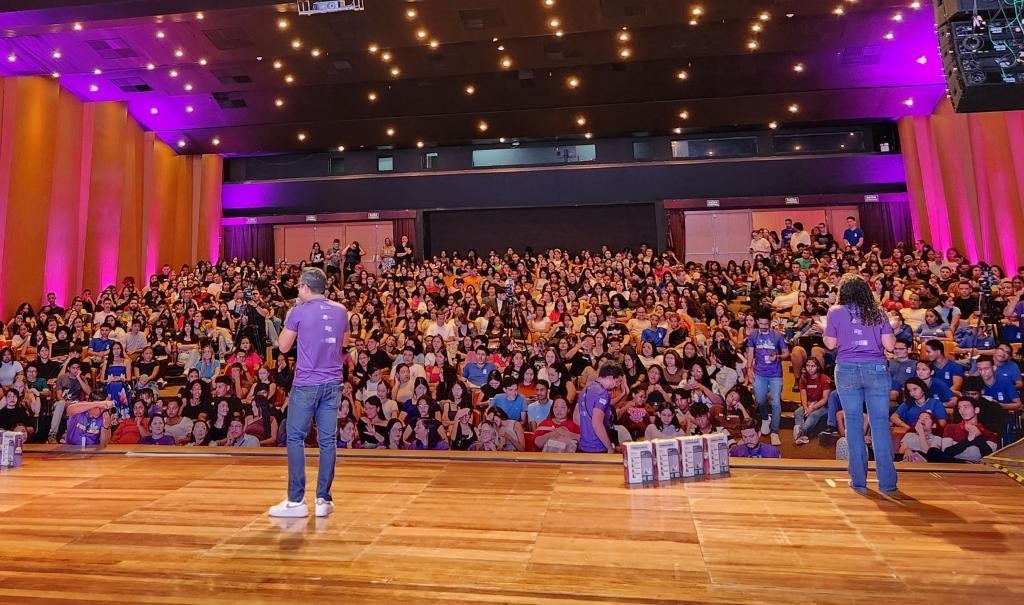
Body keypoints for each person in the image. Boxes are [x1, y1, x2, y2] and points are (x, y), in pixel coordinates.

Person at [269, 267, 349, 519]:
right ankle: (323, 499)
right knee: (328, 440)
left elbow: (283, 347)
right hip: (333, 382)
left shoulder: (298, 311)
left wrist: (292, 316)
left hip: (306, 383)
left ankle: (296, 501)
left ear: (304, 287)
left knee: (295, 437)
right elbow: (344, 343)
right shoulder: (341, 310)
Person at [823, 273, 898, 495]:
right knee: (880, 425)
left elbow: (830, 344)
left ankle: (858, 481)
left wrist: (824, 328)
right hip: (876, 369)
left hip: (847, 369)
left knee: (853, 424)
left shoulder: (835, 311)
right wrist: (891, 327)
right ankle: (887, 483)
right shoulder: (878, 311)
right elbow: (890, 346)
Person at [745, 312, 788, 446]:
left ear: (770, 323)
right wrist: (748, 368)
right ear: (757, 322)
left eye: (766, 324)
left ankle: (774, 431)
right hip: (760, 373)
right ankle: (765, 418)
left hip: (775, 374)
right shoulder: (753, 335)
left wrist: (778, 357)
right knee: (759, 400)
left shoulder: (777, 336)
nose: (763, 326)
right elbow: (750, 353)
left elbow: (786, 353)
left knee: (776, 402)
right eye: (761, 324)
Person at [574, 363, 622, 454]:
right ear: (610, 378)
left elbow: (576, 418)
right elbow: (597, 423)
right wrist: (609, 447)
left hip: (583, 445)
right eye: (617, 381)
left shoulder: (584, 390)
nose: (616, 385)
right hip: (598, 447)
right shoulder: (602, 394)